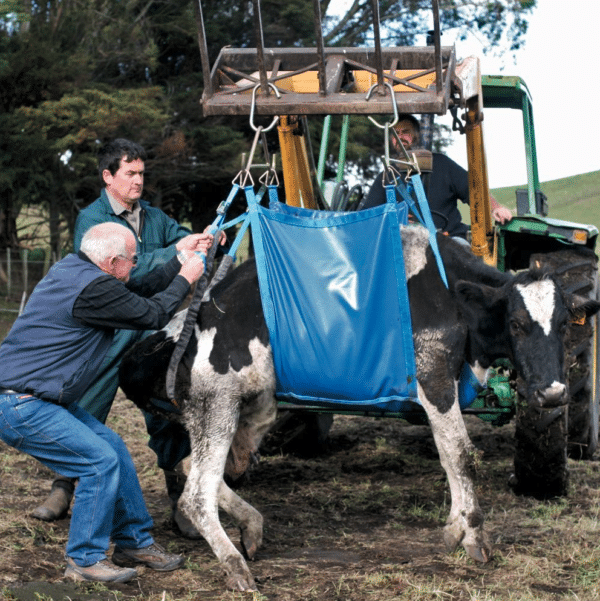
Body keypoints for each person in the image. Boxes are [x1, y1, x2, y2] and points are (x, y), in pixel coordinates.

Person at [32, 138, 224, 538]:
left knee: (166, 403)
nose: (138, 181)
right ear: (108, 176)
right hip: (109, 331)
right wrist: (177, 252)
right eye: (130, 173)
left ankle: (179, 495)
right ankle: (63, 486)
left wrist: (204, 237)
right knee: (85, 402)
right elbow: (122, 274)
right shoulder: (93, 220)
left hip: (151, 330)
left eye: (141, 173)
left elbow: (180, 234)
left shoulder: (153, 217)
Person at [0, 223, 205, 583]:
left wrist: (178, 260)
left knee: (113, 447)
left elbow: (136, 288)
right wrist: (186, 277)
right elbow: (152, 314)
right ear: (112, 262)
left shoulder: (76, 269)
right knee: (98, 462)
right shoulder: (92, 289)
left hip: (38, 398)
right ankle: (84, 560)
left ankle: (133, 542)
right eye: (133, 259)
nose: (136, 265)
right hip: (23, 404)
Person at [361, 114, 512, 241]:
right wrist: (394, 217)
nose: (400, 137)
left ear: (417, 136)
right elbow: (369, 215)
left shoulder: (442, 164)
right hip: (407, 243)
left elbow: (474, 190)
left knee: (463, 256)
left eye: (405, 132)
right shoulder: (387, 176)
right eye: (395, 133)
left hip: (449, 238)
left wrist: (495, 208)